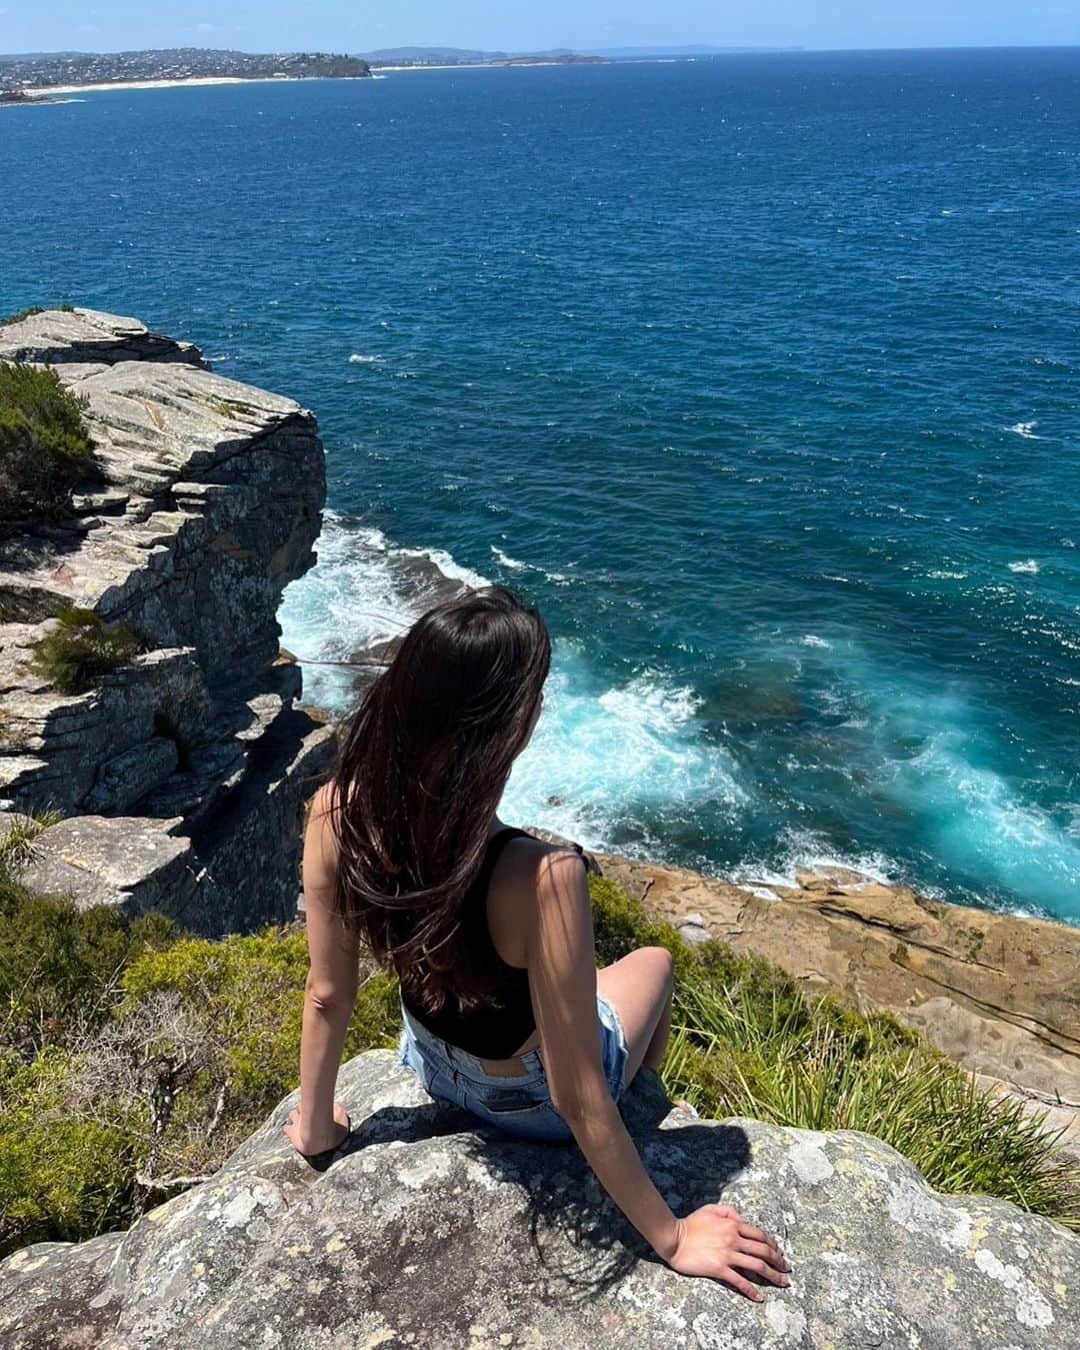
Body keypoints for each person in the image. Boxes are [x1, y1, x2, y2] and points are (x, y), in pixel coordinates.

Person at [284, 586, 791, 1299]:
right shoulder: (546, 875)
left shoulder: (335, 810)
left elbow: (328, 993)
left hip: (430, 1065)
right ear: (506, 726)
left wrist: (314, 1131)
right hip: (539, 1110)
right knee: (655, 963)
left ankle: (636, 1102)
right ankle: (649, 1105)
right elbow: (578, 1093)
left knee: (593, 987)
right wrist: (672, 1236)